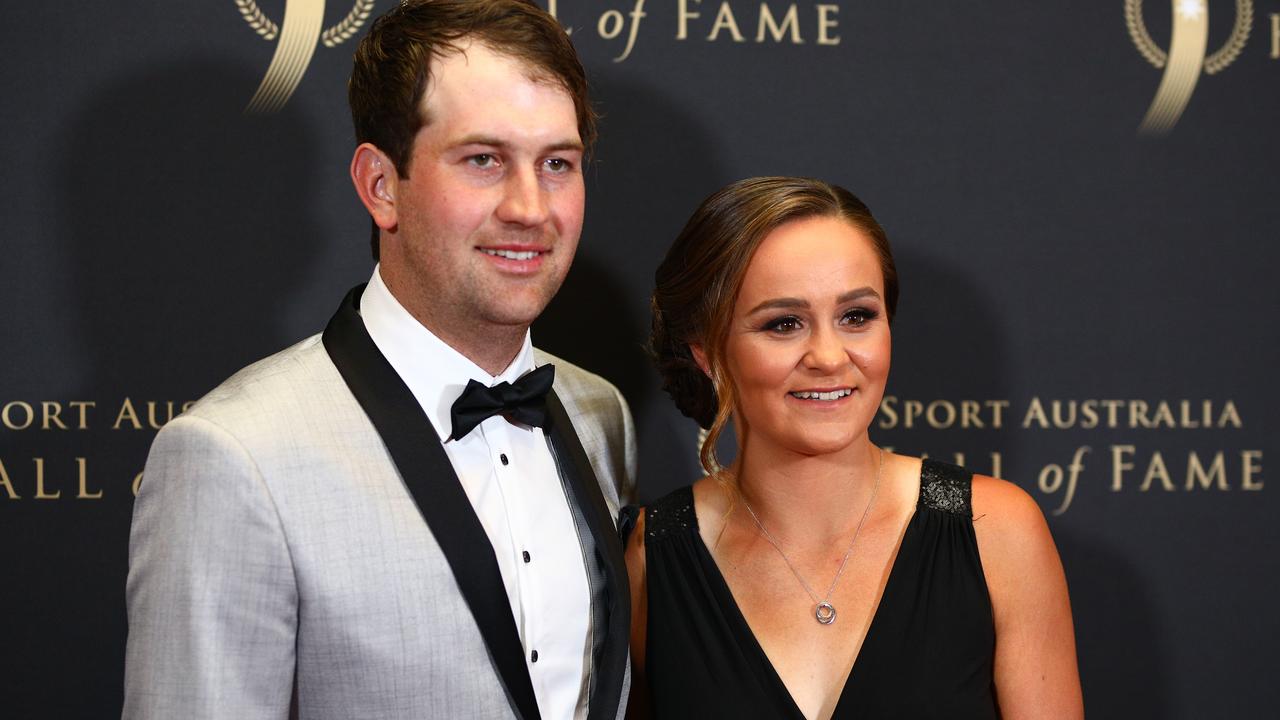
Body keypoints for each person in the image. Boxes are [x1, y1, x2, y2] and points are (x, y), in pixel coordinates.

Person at [123, 2, 635, 719]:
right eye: (483, 160)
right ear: (380, 186)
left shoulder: (598, 413)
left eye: (557, 164)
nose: (530, 207)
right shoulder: (235, 456)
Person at [627, 177, 1082, 719]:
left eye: (856, 317)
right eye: (784, 323)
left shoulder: (995, 531)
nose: (828, 355)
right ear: (707, 353)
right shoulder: (649, 559)